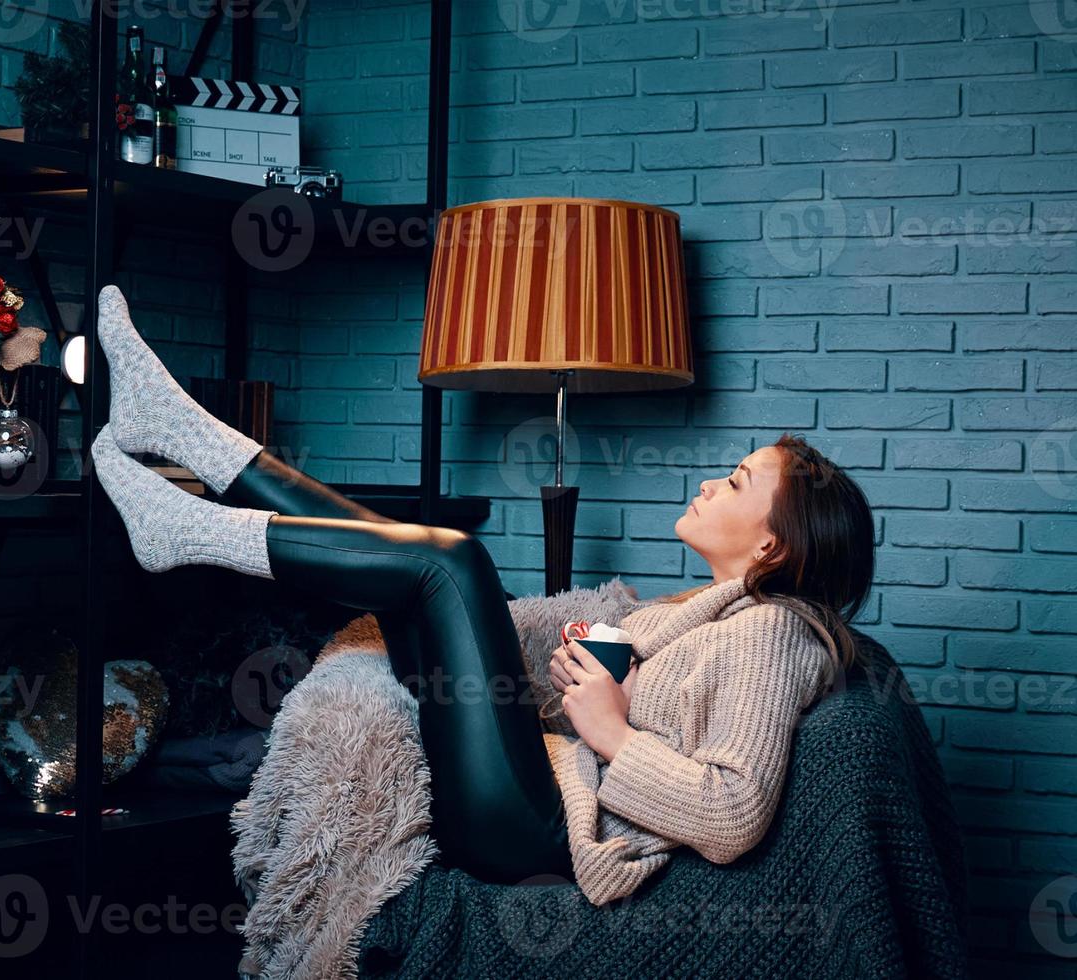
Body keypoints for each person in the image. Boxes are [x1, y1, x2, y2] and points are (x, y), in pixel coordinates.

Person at [89, 284, 876, 885]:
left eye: (736, 482)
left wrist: (610, 728)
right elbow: (684, 727)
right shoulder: (719, 619)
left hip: (536, 828)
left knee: (450, 560)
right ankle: (180, 431)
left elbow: (732, 813)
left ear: (771, 544)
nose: (710, 481)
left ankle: (186, 522)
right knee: (400, 557)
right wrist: (607, 678)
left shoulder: (774, 634)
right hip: (538, 785)